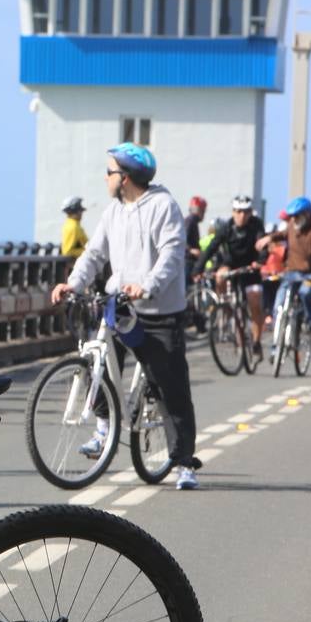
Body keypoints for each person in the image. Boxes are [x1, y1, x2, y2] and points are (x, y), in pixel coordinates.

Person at [50, 143, 202, 490]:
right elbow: (94, 253)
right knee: (98, 357)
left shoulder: (163, 206)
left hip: (159, 311)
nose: (105, 178)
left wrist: (148, 285)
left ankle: (183, 462)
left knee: (170, 387)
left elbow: (171, 254)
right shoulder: (113, 211)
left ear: (126, 177)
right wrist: (72, 284)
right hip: (121, 304)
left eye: (109, 172)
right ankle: (104, 427)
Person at [199, 195, 268, 361]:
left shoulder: (256, 224)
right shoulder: (226, 227)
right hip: (231, 265)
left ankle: (256, 342)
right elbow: (211, 248)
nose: (241, 216)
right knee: (220, 276)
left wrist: (260, 261)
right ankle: (225, 306)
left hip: (251, 269)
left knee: (255, 302)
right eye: (238, 212)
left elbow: (263, 246)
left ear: (250, 212)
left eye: (245, 212)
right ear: (233, 212)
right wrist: (197, 269)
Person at [261, 196, 311, 337]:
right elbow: (284, 234)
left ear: (307, 214)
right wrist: (269, 238)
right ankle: (276, 347)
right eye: (292, 217)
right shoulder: (292, 225)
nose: (294, 219)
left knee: (305, 292)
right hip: (291, 272)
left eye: (297, 216)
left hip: (308, 274)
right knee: (279, 304)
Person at [60, 196, 88, 262]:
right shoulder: (72, 227)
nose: (81, 213)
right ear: (73, 211)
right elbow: (67, 251)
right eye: (79, 211)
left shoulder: (74, 225)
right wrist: (87, 252)